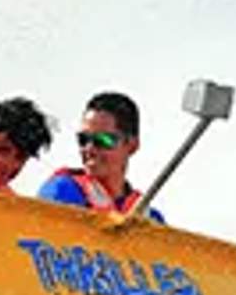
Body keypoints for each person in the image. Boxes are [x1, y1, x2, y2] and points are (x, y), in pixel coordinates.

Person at [38, 90, 162, 221]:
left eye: (103, 140)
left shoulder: (150, 218)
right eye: (83, 139)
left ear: (132, 145)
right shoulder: (62, 191)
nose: (89, 149)